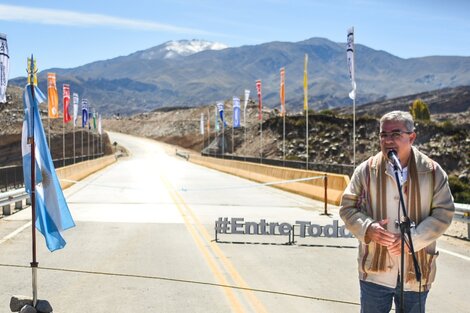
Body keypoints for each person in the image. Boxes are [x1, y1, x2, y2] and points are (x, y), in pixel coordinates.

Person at [340, 111, 454, 313]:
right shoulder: (366, 170)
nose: (388, 140)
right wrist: (368, 228)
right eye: (383, 135)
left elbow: (443, 212)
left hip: (416, 271)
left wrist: (413, 240)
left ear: (411, 137)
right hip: (375, 272)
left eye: (395, 134)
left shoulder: (433, 172)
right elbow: (348, 207)